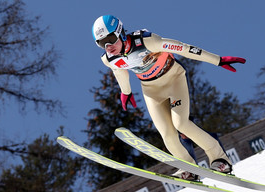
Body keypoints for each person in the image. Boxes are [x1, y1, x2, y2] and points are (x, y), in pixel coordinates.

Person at [92, 15, 245, 180]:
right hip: (151, 90)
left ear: (121, 33)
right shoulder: (109, 59)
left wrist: (218, 60)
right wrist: (126, 92)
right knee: (167, 133)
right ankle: (188, 166)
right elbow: (119, 71)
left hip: (174, 79)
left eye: (110, 39)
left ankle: (219, 158)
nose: (108, 46)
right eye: (101, 43)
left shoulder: (147, 41)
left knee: (181, 124)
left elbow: (184, 49)